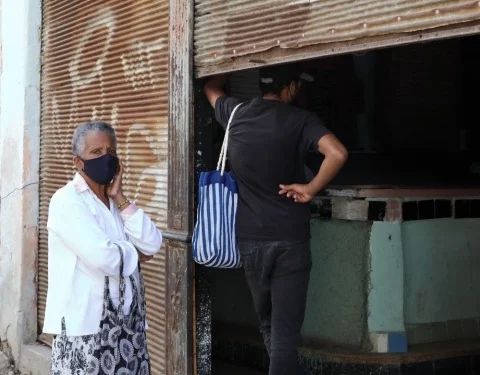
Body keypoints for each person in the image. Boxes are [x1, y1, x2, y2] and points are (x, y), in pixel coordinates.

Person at [204, 65, 348, 375]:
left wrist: (225, 67)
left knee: (269, 322)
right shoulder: (301, 120)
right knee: (284, 331)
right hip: (290, 239)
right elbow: (336, 153)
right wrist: (310, 189)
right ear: (292, 87)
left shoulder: (234, 112)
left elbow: (211, 90)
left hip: (250, 240)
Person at [43, 121, 162, 375]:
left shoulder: (114, 202)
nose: (105, 157)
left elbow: (152, 242)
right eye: (96, 152)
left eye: (111, 151)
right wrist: (136, 253)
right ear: (78, 162)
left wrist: (119, 197)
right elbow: (105, 257)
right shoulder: (66, 200)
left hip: (129, 326)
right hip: (86, 328)